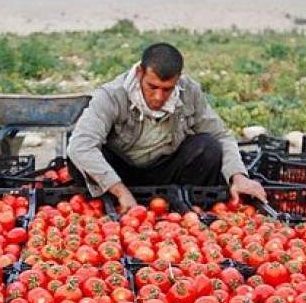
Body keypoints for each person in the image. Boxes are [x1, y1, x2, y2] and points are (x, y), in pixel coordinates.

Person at [67, 43, 266, 212]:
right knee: (79, 160)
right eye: (152, 87)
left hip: (166, 170)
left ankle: (185, 206)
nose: (158, 97)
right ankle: (110, 200)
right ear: (139, 73)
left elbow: (222, 135)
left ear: (178, 79)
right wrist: (120, 190)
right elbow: (80, 146)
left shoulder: (189, 92)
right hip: (120, 170)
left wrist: (238, 176)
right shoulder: (112, 95)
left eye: (167, 89)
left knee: (209, 147)